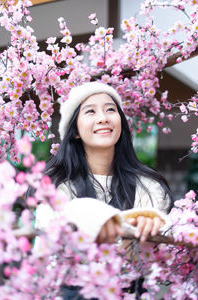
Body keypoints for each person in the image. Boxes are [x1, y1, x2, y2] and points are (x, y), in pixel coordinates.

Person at [35, 81, 173, 299]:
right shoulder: (56, 187)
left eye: (110, 110)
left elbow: (152, 262)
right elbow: (54, 259)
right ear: (76, 130)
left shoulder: (148, 187)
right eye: (90, 111)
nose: (103, 118)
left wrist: (149, 232)